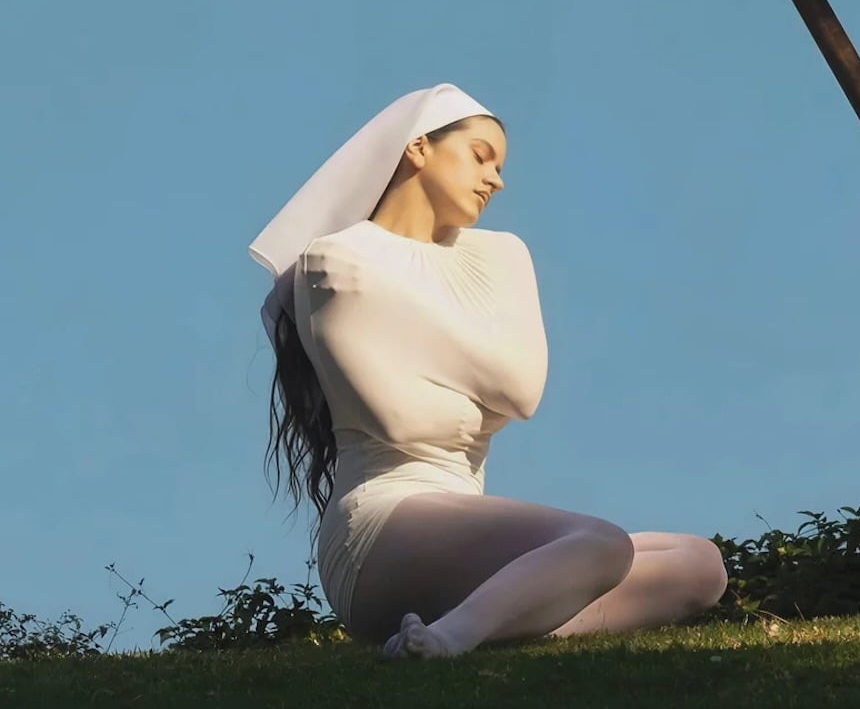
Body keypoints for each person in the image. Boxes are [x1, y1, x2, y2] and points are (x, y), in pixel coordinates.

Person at [248, 83, 728, 660]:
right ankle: (449, 639)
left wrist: (407, 329)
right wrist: (480, 381)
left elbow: (522, 390)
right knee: (600, 544)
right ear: (418, 148)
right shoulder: (337, 258)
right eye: (480, 156)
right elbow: (402, 422)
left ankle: (488, 619)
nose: (495, 180)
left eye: (498, 167)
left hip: (466, 524)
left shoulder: (501, 254)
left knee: (700, 564)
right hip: (380, 530)